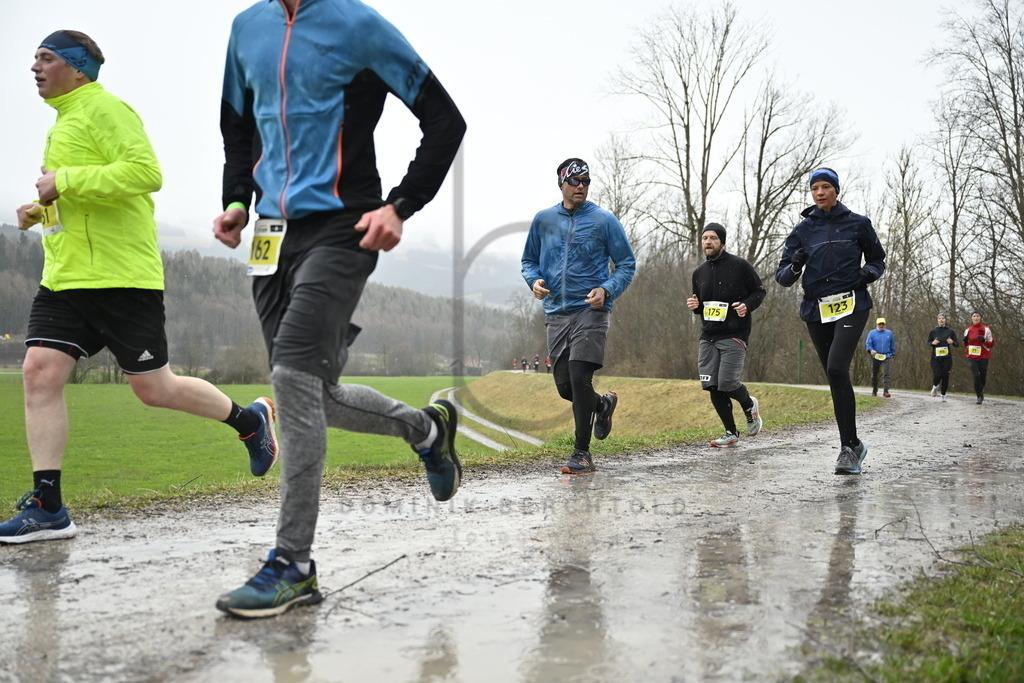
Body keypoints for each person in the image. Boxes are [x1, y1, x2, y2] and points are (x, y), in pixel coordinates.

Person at [211, 0, 466, 618]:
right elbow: (237, 126)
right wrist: (237, 200)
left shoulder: (357, 25)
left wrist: (400, 205)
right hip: (271, 234)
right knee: (311, 395)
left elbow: (445, 119)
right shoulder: (247, 29)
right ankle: (429, 431)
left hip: (343, 226)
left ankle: (293, 565)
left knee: (292, 376)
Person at [0, 31, 279, 546]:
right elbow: (83, 197)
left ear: (79, 69)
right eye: (33, 59)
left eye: (46, 58)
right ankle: (48, 505)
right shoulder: (62, 122)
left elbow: (145, 173)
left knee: (155, 389)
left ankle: (250, 420)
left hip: (122, 277)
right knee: (38, 372)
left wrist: (66, 182)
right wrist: (41, 211)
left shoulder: (106, 109)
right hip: (64, 278)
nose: (34, 68)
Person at [521, 158, 636, 475]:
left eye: (585, 180)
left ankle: (581, 454)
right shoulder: (543, 220)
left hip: (591, 311)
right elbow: (529, 261)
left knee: (579, 377)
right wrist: (535, 282)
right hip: (557, 313)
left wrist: (607, 289)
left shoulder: (603, 220)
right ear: (562, 184)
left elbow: (626, 264)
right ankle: (602, 405)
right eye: (575, 181)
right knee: (564, 387)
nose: (581, 185)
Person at [776, 167, 886, 475]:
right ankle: (853, 444)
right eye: (815, 188)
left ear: (836, 190)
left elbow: (878, 259)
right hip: (818, 309)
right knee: (834, 375)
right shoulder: (802, 230)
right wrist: (795, 266)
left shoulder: (858, 224)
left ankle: (847, 449)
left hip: (852, 303)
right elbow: (782, 277)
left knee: (838, 366)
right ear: (811, 193)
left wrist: (870, 273)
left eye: (826, 187)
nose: (820, 192)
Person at [686, 223, 766, 447]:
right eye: (704, 238)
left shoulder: (740, 266)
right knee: (711, 384)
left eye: (712, 238)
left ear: (722, 241)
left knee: (728, 383)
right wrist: (695, 306)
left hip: (734, 332)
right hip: (708, 335)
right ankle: (731, 432)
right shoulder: (699, 272)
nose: (708, 242)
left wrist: (747, 306)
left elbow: (760, 291)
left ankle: (749, 404)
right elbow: (701, 305)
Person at [963, 311, 995, 404]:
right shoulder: (968, 330)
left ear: (980, 318)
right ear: (971, 318)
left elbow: (991, 344)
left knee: (982, 375)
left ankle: (981, 390)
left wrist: (984, 340)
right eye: (974, 316)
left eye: (977, 316)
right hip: (972, 356)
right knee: (976, 375)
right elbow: (966, 345)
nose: (976, 318)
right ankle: (979, 396)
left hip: (983, 356)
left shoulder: (986, 329)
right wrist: (965, 341)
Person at [927, 314, 958, 402]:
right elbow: (928, 343)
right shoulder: (933, 331)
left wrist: (952, 342)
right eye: (939, 318)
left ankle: (943, 394)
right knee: (937, 374)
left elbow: (957, 344)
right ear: (937, 320)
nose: (941, 320)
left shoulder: (950, 331)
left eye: (943, 318)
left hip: (947, 358)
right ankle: (935, 386)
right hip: (935, 357)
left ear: (945, 320)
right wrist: (933, 343)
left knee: (945, 376)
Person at [865, 317, 897, 397]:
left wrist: (893, 354)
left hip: (886, 356)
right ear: (877, 324)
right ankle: (874, 390)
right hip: (876, 356)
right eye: (880, 324)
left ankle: (886, 391)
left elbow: (892, 344)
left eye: (882, 324)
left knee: (886, 374)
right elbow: (868, 344)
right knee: (875, 374)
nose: (881, 325)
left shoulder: (889, 333)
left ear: (885, 324)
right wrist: (870, 350)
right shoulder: (872, 333)